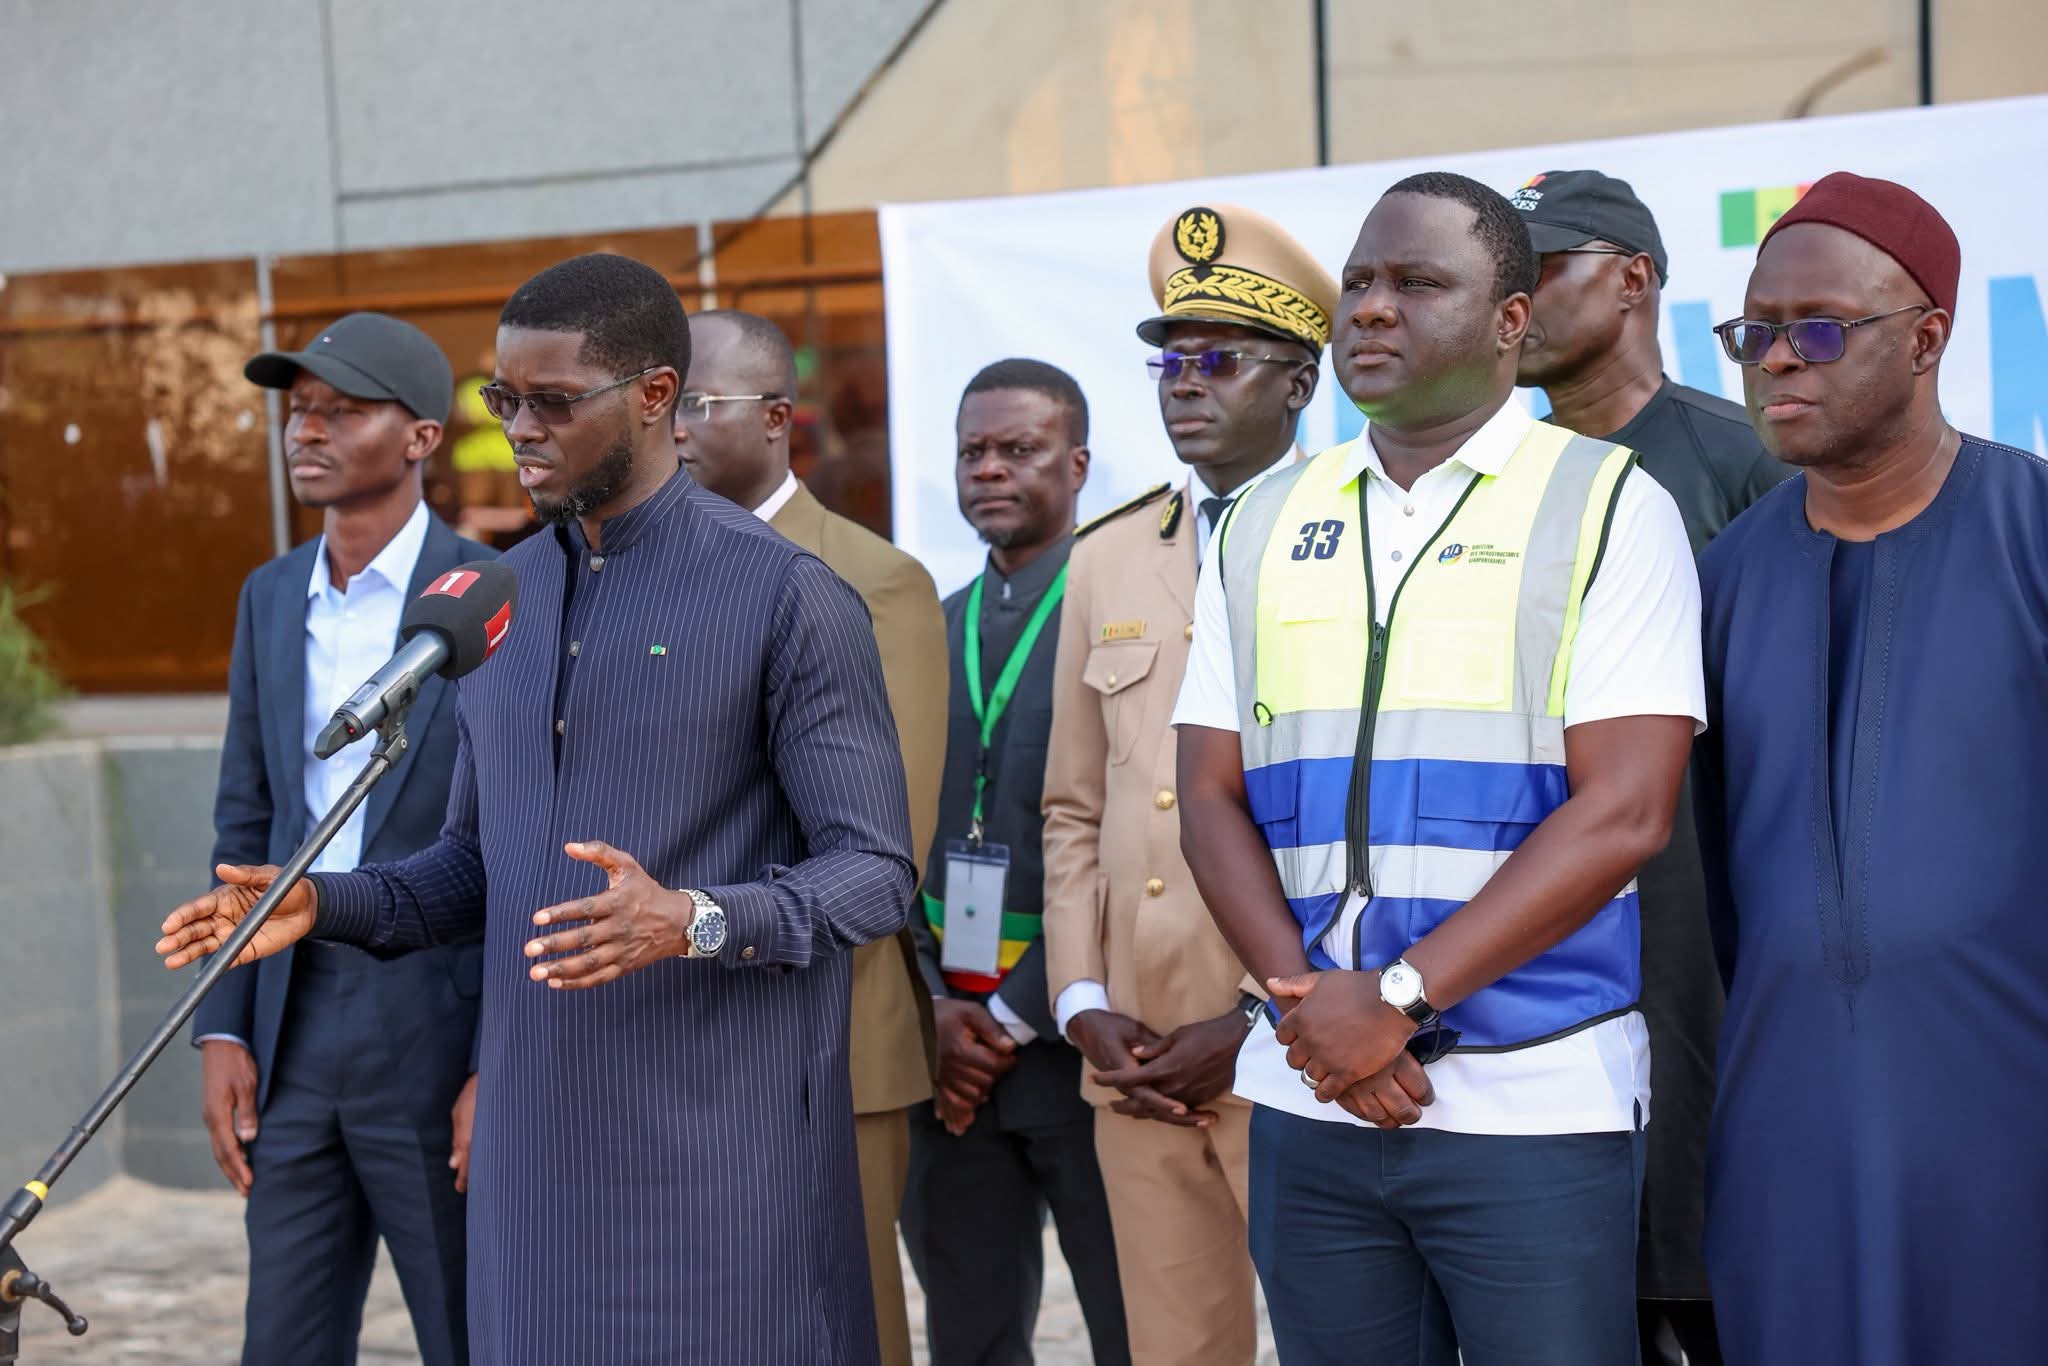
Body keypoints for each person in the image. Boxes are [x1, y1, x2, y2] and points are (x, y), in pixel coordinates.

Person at [159, 253, 916, 1365]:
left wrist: (694, 917)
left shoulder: (786, 596)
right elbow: (472, 865)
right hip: (532, 1172)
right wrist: (319, 900)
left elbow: (875, 870)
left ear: (656, 396)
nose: (519, 428)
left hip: (718, 1162)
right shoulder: (495, 602)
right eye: (502, 400)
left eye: (552, 402)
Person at [1173, 172, 1704, 1366]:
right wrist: (1312, 1013)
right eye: (1358, 282)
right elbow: (1207, 792)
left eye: (1416, 284)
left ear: (1511, 321)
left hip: (1532, 1101)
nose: (1368, 308)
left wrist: (1397, 1000)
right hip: (1309, 1093)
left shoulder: (1608, 504)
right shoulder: (1259, 519)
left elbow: (1623, 811)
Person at [1695, 173, 2048, 1366]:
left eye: (1817, 331)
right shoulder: (1719, 578)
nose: (1777, 362)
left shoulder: (2032, 528)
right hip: (1783, 1119)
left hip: (2010, 1115)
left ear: (1928, 339)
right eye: (1753, 334)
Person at [1040, 202, 1333, 1365]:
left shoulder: (1357, 533)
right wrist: (1079, 1004)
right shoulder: (1107, 551)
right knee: (1175, 1350)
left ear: (1299, 384)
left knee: (1341, 1339)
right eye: (1168, 358)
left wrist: (1263, 1018)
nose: (1183, 383)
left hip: (1305, 1043)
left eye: (1219, 359)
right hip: (1138, 1052)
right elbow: (1071, 806)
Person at [1513, 168, 1791, 1366]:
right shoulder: (1490, 484)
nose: (1508, 304)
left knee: (1705, 1283)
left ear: (1631, 278)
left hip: (1703, 962)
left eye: (1538, 272)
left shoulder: (1742, 462)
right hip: (1524, 967)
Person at [192, 311, 486, 1366]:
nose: (305, 431)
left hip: (437, 1023)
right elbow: (244, 819)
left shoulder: (492, 598)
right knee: (284, 1340)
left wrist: (495, 1060)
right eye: (297, 410)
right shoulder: (271, 598)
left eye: (342, 410)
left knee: (472, 1332)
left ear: (418, 438)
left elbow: (524, 845)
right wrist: (223, 1024)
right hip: (290, 1019)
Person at [674, 307, 945, 1366]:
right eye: (662, 402)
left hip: (824, 1028)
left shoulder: (869, 576)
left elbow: (886, 838)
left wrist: (695, 921)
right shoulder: (648, 572)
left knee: (839, 1322)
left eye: (699, 402)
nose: (676, 428)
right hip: (671, 1021)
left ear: (778, 417)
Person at [901, 359, 1130, 1366]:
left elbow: (1139, 842)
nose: (988, 469)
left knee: (1135, 1331)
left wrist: (1006, 1013)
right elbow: (880, 830)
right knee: (969, 1337)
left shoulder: (1127, 623)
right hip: (944, 1053)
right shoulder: (921, 631)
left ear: (1076, 465)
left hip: (1083, 1043)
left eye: (1018, 449)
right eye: (971, 452)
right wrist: (934, 1008)